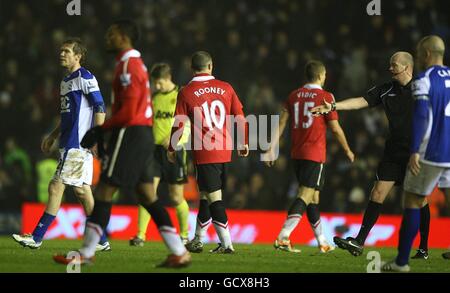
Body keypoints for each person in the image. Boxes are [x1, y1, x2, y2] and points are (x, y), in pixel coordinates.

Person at [53, 20, 191, 268]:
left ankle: (85, 252)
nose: (107, 38)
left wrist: (100, 130)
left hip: (131, 133)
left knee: (104, 191)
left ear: (124, 37)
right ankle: (179, 251)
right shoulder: (131, 64)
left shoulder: (128, 65)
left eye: (112, 34)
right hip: (141, 134)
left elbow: (129, 112)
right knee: (147, 195)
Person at [311, 52, 432, 259]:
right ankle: (359, 241)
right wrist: (332, 106)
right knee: (377, 193)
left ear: (407, 68)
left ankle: (423, 248)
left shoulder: (423, 89)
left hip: (417, 152)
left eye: (394, 65)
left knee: (419, 200)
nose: (390, 69)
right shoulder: (386, 90)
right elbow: (360, 101)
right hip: (394, 151)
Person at [12, 38, 110, 251]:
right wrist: (53, 135)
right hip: (67, 142)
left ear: (78, 56)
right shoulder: (66, 81)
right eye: (61, 51)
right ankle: (102, 240)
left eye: (66, 51)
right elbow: (67, 115)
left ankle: (36, 237)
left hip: (77, 144)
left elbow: (100, 106)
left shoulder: (85, 76)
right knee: (83, 192)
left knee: (56, 186)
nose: (62, 54)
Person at [266, 60, 354, 253]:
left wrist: (272, 147)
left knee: (313, 197)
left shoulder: (293, 95)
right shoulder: (326, 96)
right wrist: (347, 149)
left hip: (296, 153)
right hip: (314, 153)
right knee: (305, 195)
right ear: (322, 76)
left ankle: (322, 241)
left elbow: (281, 122)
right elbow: (336, 129)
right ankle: (283, 236)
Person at [167, 51, 249, 253]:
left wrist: (172, 147)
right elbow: (239, 116)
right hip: (224, 150)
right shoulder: (226, 87)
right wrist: (244, 142)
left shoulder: (186, 91)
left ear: (191, 68)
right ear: (211, 66)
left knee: (213, 198)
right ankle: (198, 239)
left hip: (205, 152)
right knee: (205, 195)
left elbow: (179, 124)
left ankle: (227, 244)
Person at [382, 36, 450, 272]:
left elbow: (421, 115)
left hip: (432, 151)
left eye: (420, 53)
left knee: (412, 200)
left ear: (428, 54)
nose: (419, 58)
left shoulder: (424, 79)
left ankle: (401, 262)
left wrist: (414, 151)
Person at [129, 63, 191, 247]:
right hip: (154, 151)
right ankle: (140, 235)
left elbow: (188, 122)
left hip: (175, 151)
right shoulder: (154, 99)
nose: (156, 86)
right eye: (155, 83)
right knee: (147, 192)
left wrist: (175, 139)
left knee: (176, 197)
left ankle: (184, 235)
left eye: (159, 83)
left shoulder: (181, 95)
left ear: (168, 78)